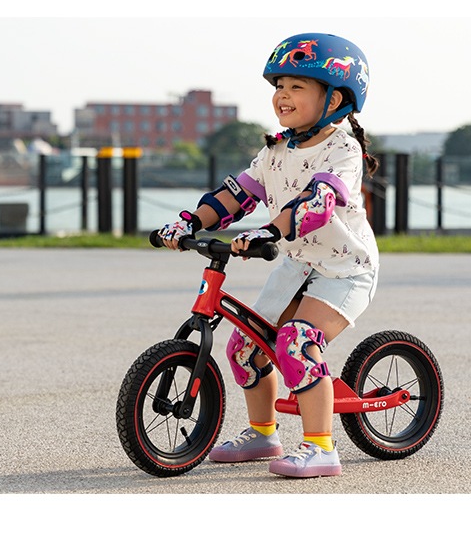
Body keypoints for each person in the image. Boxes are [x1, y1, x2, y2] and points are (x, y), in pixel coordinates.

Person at [158, 32, 379, 478]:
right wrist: (190, 222)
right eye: (279, 86)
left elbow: (318, 203)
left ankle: (321, 448)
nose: (283, 95)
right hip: (298, 265)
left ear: (335, 98)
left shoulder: (342, 149)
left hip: (344, 269)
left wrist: (269, 230)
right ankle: (263, 434)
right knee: (244, 346)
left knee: (297, 342)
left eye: (297, 86)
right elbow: (235, 195)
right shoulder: (275, 150)